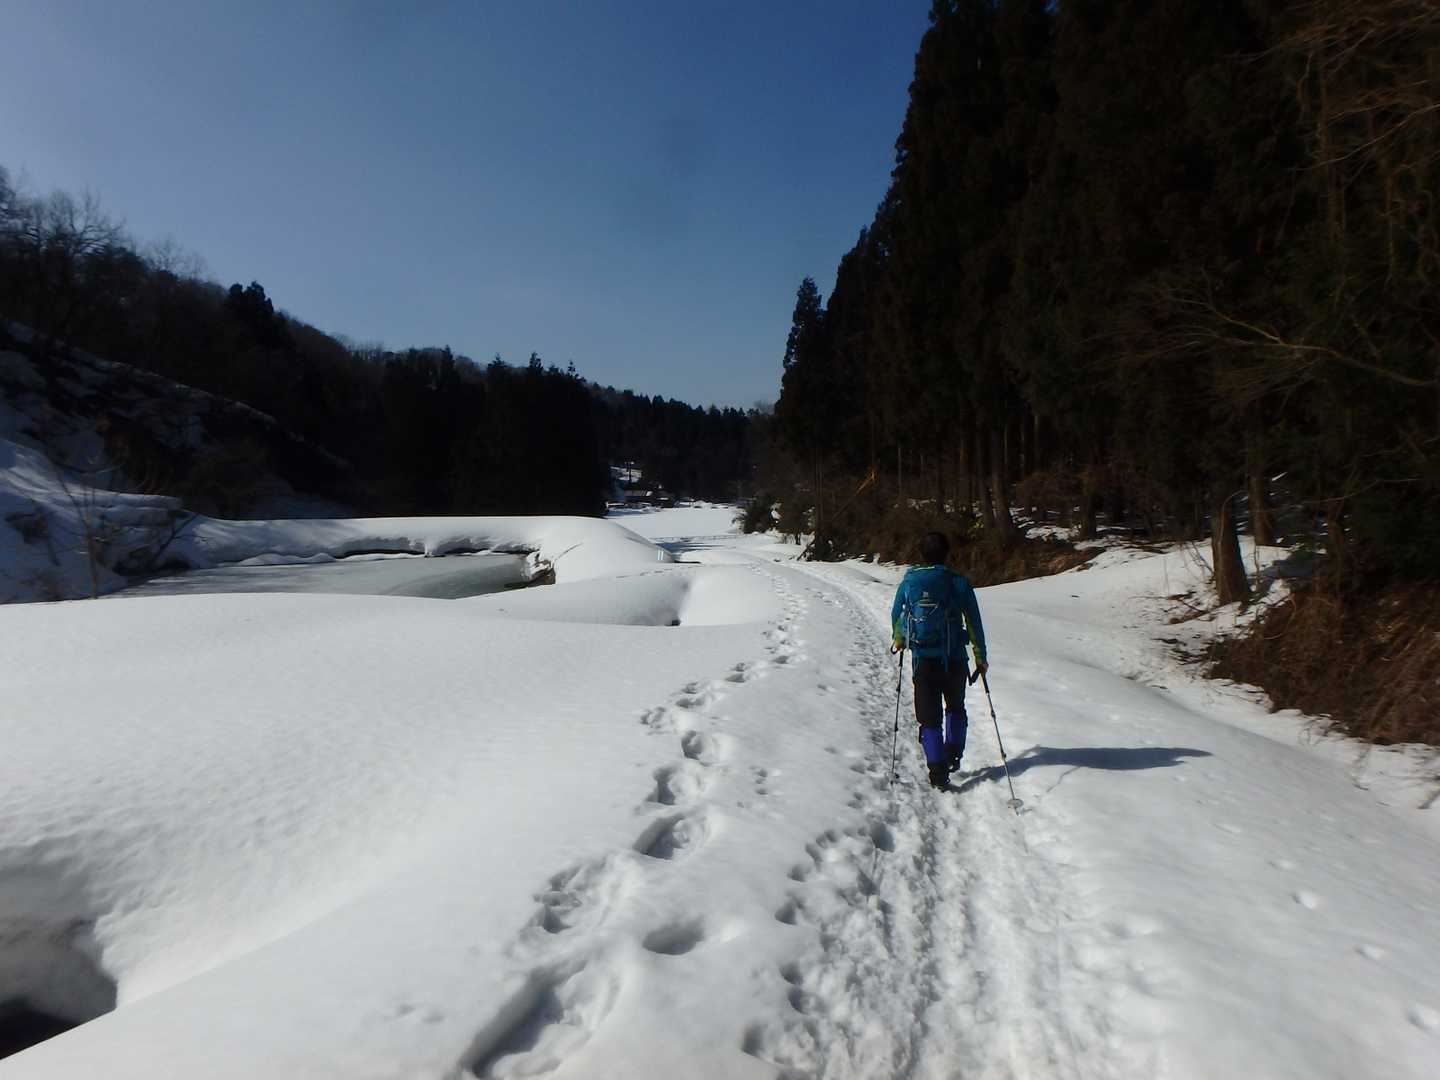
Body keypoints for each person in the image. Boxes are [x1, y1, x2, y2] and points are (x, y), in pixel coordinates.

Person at [890, 530, 989, 789]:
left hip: (923, 660)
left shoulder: (909, 582)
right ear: (947, 553)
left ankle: (937, 772)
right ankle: (953, 755)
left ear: (921, 554)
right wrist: (980, 657)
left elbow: (897, 614)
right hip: (955, 659)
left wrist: (900, 639)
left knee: (929, 718)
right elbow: (974, 623)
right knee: (955, 708)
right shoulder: (958, 583)